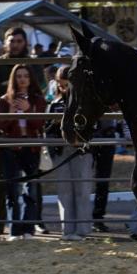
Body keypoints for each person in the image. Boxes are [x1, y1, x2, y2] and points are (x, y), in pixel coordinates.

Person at [0, 27, 45, 236]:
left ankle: (34, 221)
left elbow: (42, 87)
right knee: (2, 181)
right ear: (5, 42)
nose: (15, 44)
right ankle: (0, 223)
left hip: (30, 130)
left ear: (25, 43)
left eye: (19, 41)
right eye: (12, 41)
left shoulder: (34, 63)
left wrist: (25, 88)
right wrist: (16, 86)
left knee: (32, 182)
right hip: (4, 128)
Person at [0, 64, 46, 241]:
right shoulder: (4, 99)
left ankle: (28, 229)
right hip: (10, 148)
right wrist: (11, 114)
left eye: (25, 76)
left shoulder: (38, 99)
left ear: (31, 79)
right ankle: (15, 231)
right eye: (18, 76)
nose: (22, 79)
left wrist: (28, 110)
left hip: (31, 147)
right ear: (13, 79)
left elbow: (40, 124)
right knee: (12, 190)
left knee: (30, 190)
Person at [49, 66, 94, 240]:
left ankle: (83, 230)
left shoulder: (85, 103)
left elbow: (93, 126)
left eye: (66, 83)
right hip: (62, 150)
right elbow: (47, 129)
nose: (63, 88)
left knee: (82, 189)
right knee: (65, 190)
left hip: (81, 150)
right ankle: (67, 230)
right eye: (60, 84)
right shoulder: (54, 104)